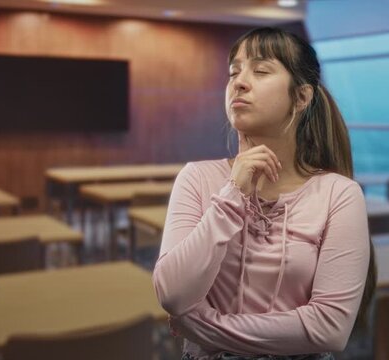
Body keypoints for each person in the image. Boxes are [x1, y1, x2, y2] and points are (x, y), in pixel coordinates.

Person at [152, 27, 376, 360]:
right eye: (234, 72)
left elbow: (329, 328)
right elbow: (172, 294)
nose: (239, 82)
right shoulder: (197, 178)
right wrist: (233, 192)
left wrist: (202, 324)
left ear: (301, 97)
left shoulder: (339, 194)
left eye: (260, 71)